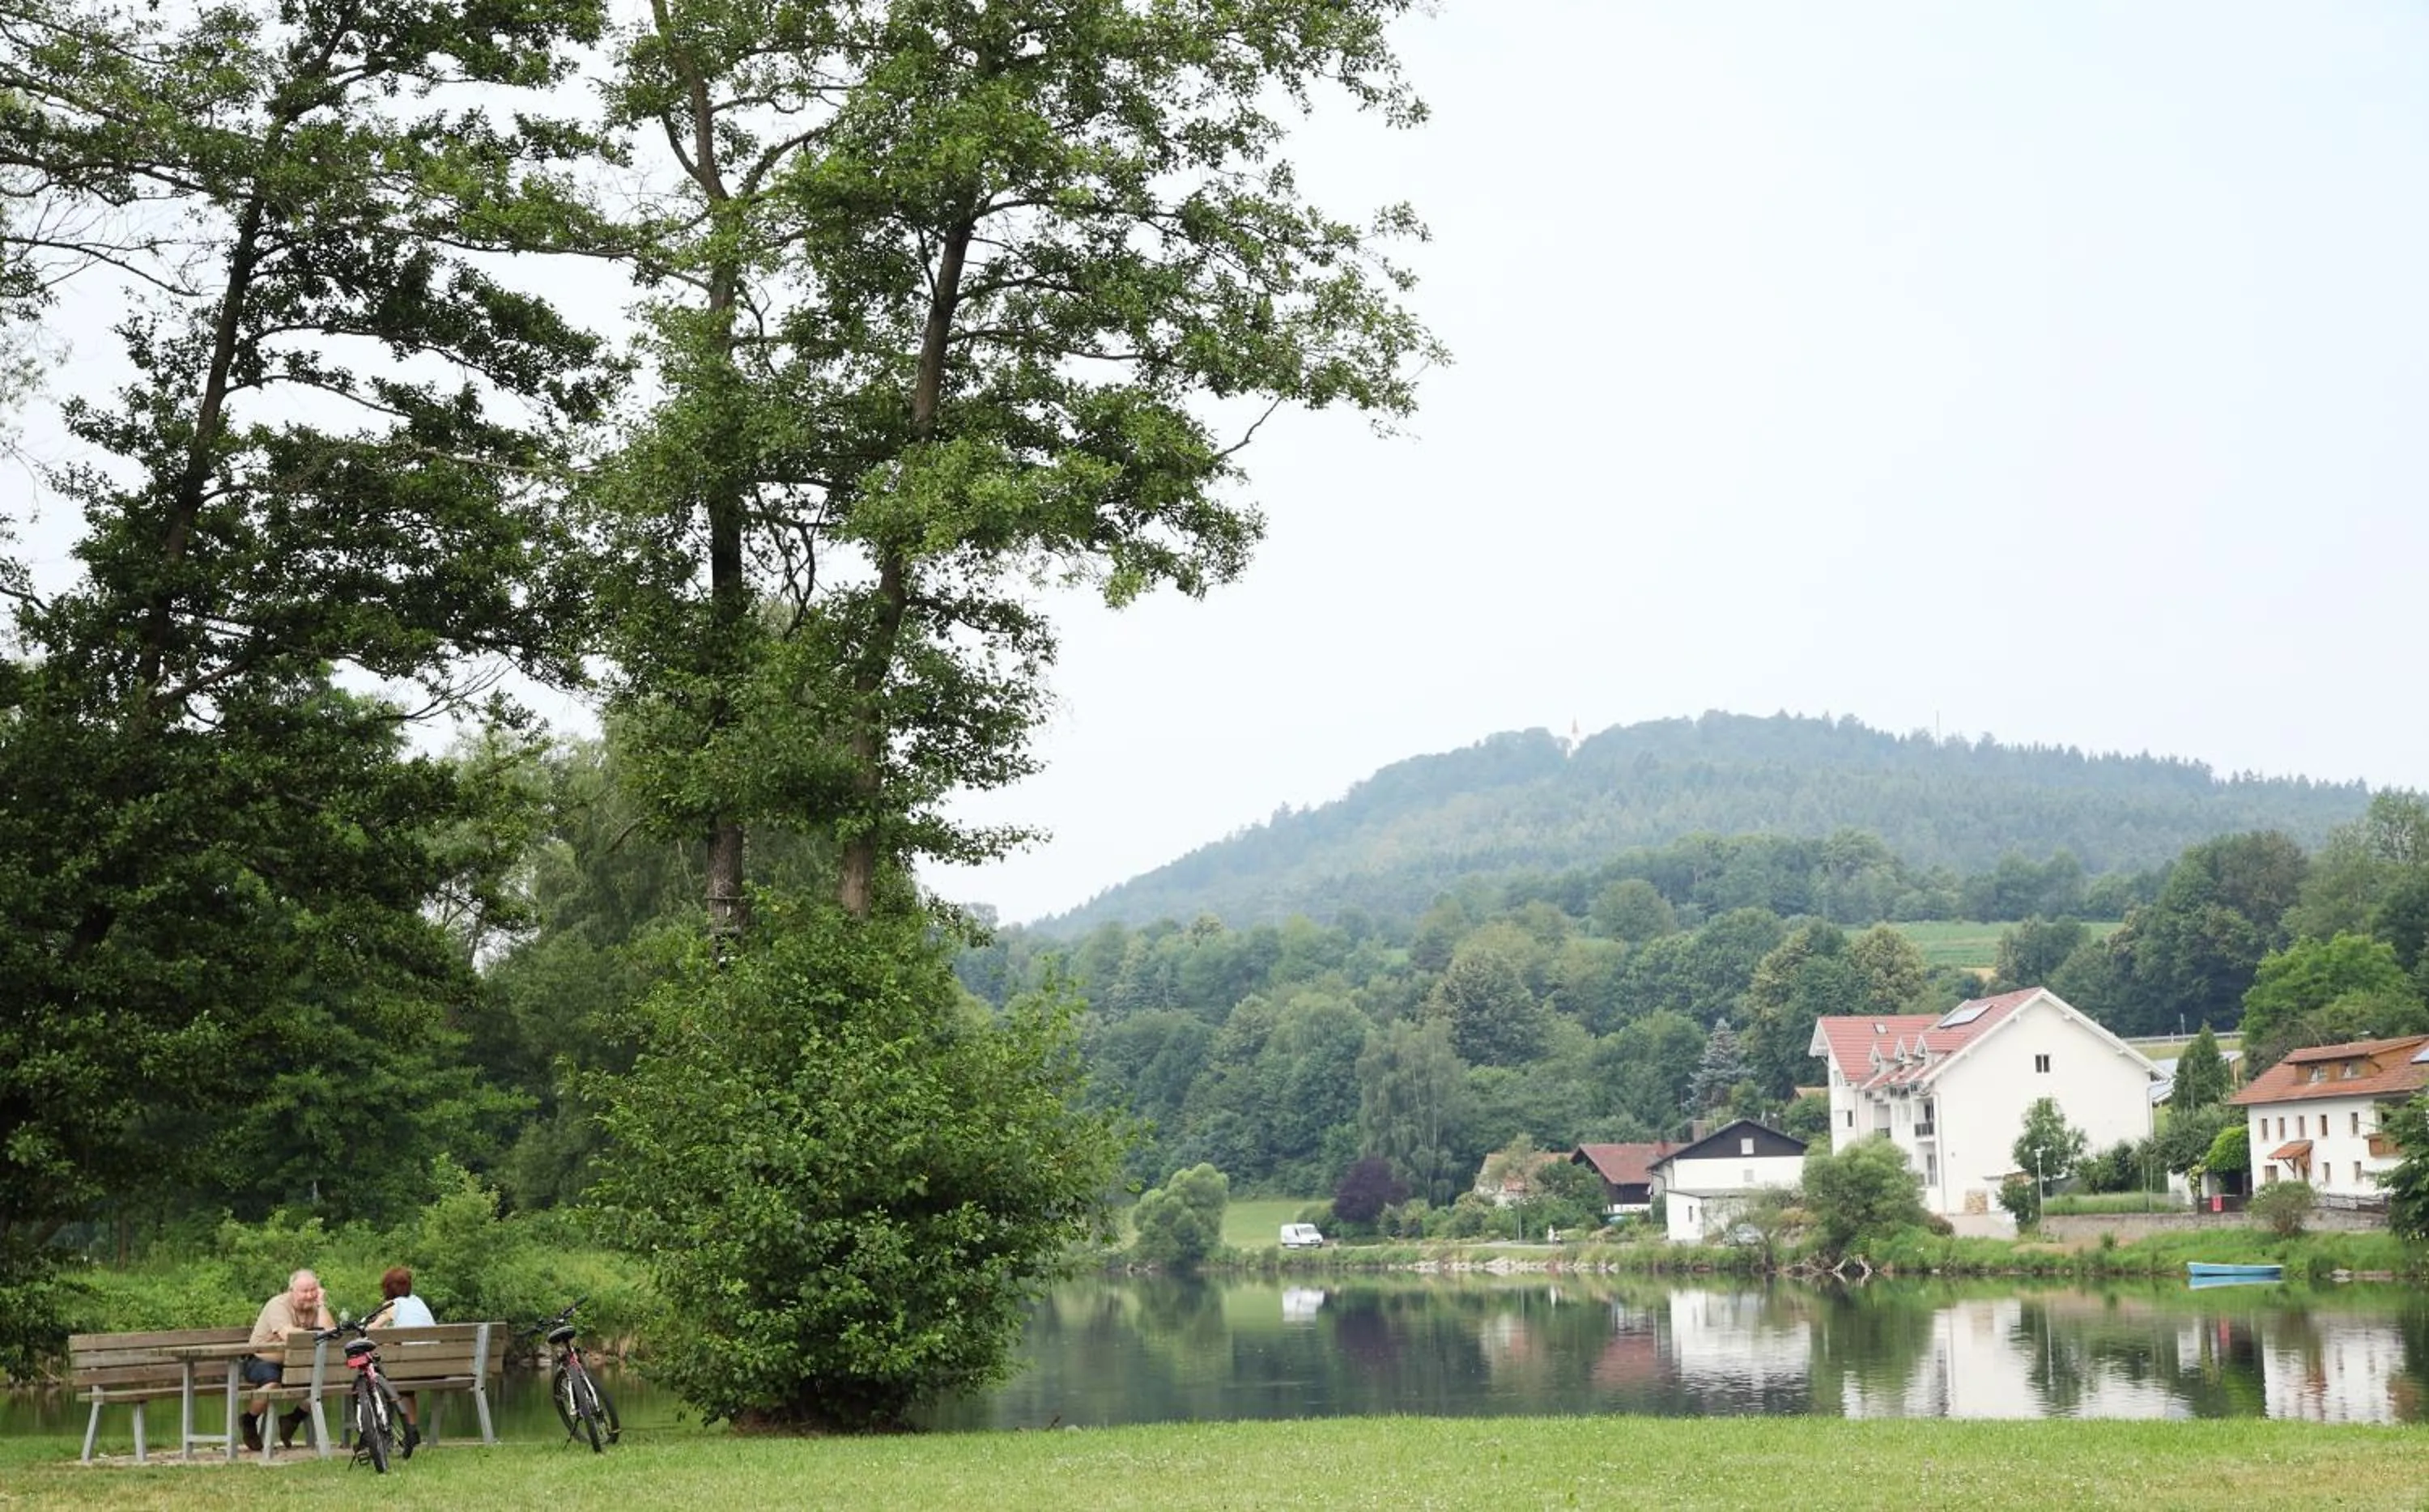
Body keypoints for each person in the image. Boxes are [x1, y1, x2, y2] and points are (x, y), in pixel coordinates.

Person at [241, 1268, 334, 1453]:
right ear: (292, 1291)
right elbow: (288, 1335)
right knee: (272, 1384)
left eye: (313, 1290)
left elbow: (330, 1332)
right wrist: (316, 1333)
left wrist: (322, 1305)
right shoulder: (278, 1305)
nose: (310, 1296)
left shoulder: (315, 1307)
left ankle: (292, 1419)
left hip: (296, 1361)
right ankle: (249, 1421)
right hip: (264, 1358)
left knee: (325, 1382)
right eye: (304, 1291)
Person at [378, 1266, 433, 1442]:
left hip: (410, 1368)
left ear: (387, 1288)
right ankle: (412, 1430)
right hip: (434, 1367)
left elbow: (373, 1329)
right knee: (406, 1387)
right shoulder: (419, 1302)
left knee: (382, 1377)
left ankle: (383, 1430)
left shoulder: (392, 1305)